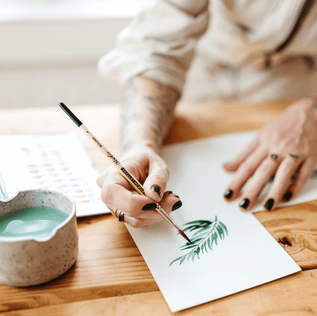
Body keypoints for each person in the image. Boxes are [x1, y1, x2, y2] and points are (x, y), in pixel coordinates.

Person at [96, 0, 317, 228]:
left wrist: (313, 112)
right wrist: (140, 145)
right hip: (202, 78)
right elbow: (156, 47)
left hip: (297, 90)